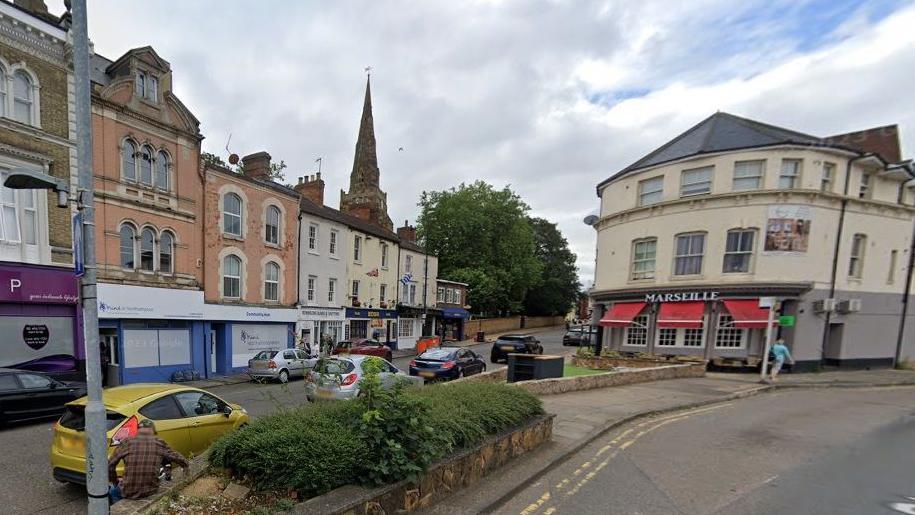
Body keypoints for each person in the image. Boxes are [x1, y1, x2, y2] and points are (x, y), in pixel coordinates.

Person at [108, 419, 189, 503]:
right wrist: (186, 469)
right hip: (150, 490)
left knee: (110, 493)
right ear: (153, 431)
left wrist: (115, 481)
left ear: (138, 430)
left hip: (127, 491)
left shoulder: (127, 442)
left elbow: (110, 465)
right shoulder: (159, 443)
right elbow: (179, 458)